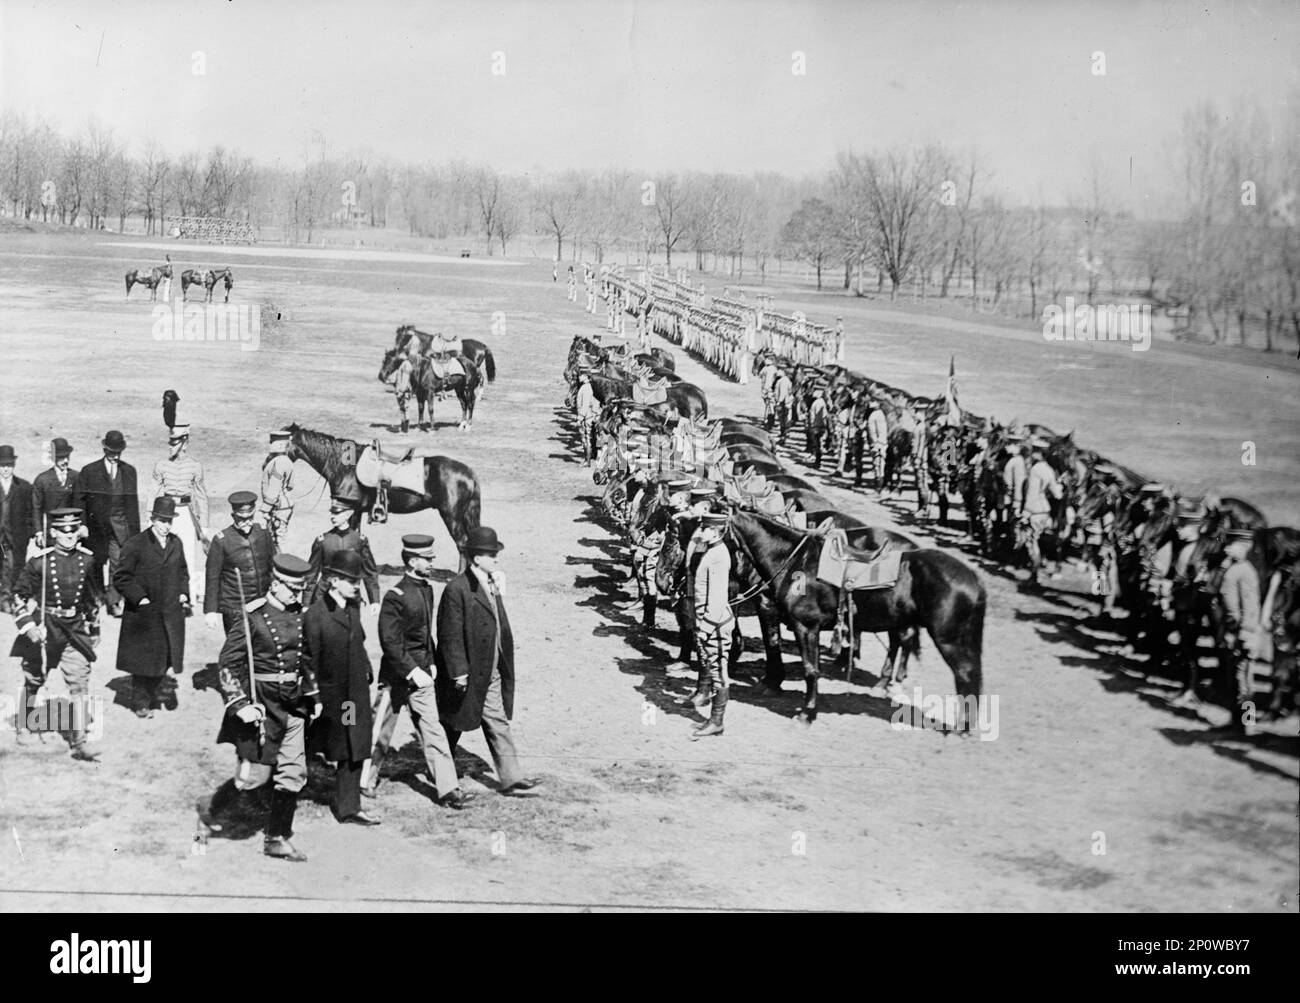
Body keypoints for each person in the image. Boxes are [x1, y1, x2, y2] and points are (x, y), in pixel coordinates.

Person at [205, 554, 320, 861]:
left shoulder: (301, 615)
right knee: (255, 777)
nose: (297, 595)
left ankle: (276, 837)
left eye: (301, 589)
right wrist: (239, 702)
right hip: (263, 705)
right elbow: (228, 663)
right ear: (276, 583)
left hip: (294, 705)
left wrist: (314, 695)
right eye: (292, 589)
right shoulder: (253, 617)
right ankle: (219, 807)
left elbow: (306, 659)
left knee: (293, 772)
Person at [435, 527, 541, 796]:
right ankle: (439, 771)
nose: (496, 558)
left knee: (497, 720)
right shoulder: (456, 589)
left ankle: (511, 777)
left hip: (490, 669)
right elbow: (449, 635)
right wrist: (458, 672)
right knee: (452, 725)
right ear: (476, 558)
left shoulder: (490, 582)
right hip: (468, 673)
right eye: (491, 554)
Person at [369, 534, 474, 808]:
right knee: (378, 732)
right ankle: (363, 781)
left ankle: (449, 790)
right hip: (395, 678)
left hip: (423, 676)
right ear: (412, 560)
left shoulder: (426, 589)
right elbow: (390, 641)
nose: (431, 563)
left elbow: (426, 633)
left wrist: (432, 663)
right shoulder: (396, 596)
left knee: (434, 731)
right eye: (427, 559)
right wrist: (411, 670)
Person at [9, 507, 102, 760]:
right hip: (46, 628)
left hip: (75, 630)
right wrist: (28, 627)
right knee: (34, 678)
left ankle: (80, 740)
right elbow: (17, 596)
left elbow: (94, 598)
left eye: (73, 530)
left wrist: (94, 628)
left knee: (79, 681)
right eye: (63, 530)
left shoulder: (88, 560)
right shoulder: (40, 562)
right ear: (53, 532)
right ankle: (24, 724)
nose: (69, 535)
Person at [304, 549, 379, 824]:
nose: (357, 585)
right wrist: (315, 696)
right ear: (333, 581)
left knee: (353, 742)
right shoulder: (316, 615)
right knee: (328, 741)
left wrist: (367, 668)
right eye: (351, 581)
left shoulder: (353, 606)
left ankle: (348, 807)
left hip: (355, 692)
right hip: (336, 697)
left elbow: (357, 640)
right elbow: (309, 658)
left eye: (358, 580)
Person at [114, 496, 190, 717]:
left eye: (169, 521)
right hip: (144, 614)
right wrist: (140, 598)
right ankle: (140, 701)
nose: (166, 526)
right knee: (143, 660)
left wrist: (184, 592)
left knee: (166, 655)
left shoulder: (176, 543)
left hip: (170, 611)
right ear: (152, 519)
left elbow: (183, 572)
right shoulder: (135, 544)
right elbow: (122, 578)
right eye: (162, 521)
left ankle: (154, 690)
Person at [76, 431, 140, 618]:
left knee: (118, 563)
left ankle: (114, 601)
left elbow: (132, 504)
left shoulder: (129, 471)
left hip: (120, 526)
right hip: (96, 528)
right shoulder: (89, 471)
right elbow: (79, 500)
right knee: (95, 564)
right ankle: (96, 598)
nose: (115, 455)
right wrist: (82, 525)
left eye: (118, 451)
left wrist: (135, 533)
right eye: (112, 451)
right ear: (104, 448)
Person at [146, 423, 209, 610]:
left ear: (184, 443)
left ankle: (187, 598)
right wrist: (149, 515)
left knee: (188, 554)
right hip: (165, 512)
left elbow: (201, 495)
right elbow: (153, 491)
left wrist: (204, 525)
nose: (171, 447)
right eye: (170, 443)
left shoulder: (195, 466)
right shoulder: (161, 465)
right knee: (163, 552)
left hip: (185, 513)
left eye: (175, 444)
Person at [688, 512, 733, 740]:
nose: (700, 532)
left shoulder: (717, 556)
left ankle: (717, 722)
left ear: (715, 531)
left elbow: (716, 599)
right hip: (709, 622)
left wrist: (704, 629)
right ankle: (714, 719)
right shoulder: (713, 550)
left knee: (719, 673)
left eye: (704, 529)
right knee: (714, 669)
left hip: (715, 625)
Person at [205, 491, 275, 634]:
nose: (246, 522)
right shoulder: (222, 540)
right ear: (233, 516)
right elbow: (212, 577)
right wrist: (210, 610)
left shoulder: (263, 533)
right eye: (241, 519)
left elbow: (274, 565)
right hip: (236, 609)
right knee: (238, 651)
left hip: (263, 603)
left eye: (250, 517)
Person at [307, 493, 380, 609]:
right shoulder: (323, 541)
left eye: (337, 513)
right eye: (331, 513)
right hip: (324, 595)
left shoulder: (359, 540)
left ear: (348, 514)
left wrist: (374, 600)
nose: (332, 516)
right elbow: (311, 574)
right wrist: (306, 603)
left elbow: (369, 571)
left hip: (350, 595)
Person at [1021, 441, 1063, 585]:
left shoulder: (1035, 469)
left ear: (1037, 453)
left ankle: (1034, 576)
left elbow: (1032, 493)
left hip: (1034, 510)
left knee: (1032, 544)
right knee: (1041, 541)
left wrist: (1026, 512)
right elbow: (1057, 494)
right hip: (1045, 510)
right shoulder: (1049, 470)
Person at [0, 444, 34, 615]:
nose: (5, 469)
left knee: (12, 567)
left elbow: (30, 512)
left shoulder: (24, 487)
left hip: (15, 537)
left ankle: (7, 599)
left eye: (8, 465)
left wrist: (28, 533)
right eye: (2, 465)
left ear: (14, 465)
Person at [31, 438, 80, 547]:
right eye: (61, 458)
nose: (65, 461)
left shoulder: (77, 477)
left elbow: (82, 505)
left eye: (67, 457)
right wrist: (39, 533)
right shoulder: (42, 480)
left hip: (71, 531)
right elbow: (36, 508)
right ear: (53, 458)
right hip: (51, 532)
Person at [260, 430, 295, 553]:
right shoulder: (287, 461)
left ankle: (284, 567)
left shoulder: (278, 463)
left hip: (278, 507)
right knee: (277, 538)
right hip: (285, 505)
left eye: (272, 442)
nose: (270, 445)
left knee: (278, 540)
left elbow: (274, 486)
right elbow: (290, 485)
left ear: (280, 445)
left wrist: (266, 509)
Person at [574, 370, 600, 466]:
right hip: (590, 416)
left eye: (581, 375)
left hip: (586, 417)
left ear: (586, 377)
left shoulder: (586, 388)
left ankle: (587, 460)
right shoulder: (590, 387)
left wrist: (579, 418)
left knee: (586, 438)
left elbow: (585, 405)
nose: (579, 377)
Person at [807, 387, 829, 468]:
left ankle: (818, 462)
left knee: (817, 445)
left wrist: (812, 426)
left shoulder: (817, 403)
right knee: (818, 444)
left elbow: (815, 416)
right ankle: (817, 460)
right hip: (819, 426)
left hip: (816, 426)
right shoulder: (821, 402)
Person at [772, 368, 794, 444]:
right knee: (783, 420)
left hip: (783, 404)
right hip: (784, 403)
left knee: (783, 421)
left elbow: (783, 393)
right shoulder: (783, 380)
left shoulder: (783, 381)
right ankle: (783, 436)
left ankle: (783, 437)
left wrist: (778, 402)